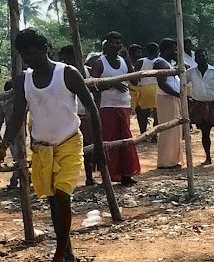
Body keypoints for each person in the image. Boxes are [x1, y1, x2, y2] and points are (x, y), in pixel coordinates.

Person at [0, 29, 102, 262]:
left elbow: (91, 108)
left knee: (63, 195)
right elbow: (18, 115)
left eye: (30, 53)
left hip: (69, 142)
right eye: (23, 55)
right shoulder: (24, 80)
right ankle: (70, 254)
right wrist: (2, 147)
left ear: (44, 48)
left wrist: (99, 147)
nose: (27, 58)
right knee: (54, 200)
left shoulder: (67, 73)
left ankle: (58, 254)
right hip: (41, 148)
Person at [90, 32, 141, 184]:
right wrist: (113, 83)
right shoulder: (100, 63)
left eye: (118, 43)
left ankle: (126, 174)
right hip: (106, 106)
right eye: (112, 42)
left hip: (124, 105)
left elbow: (135, 81)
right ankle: (109, 175)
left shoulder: (124, 62)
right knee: (109, 141)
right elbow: (93, 85)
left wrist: (128, 61)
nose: (115, 45)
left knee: (126, 140)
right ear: (106, 44)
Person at [59, 45, 97, 187]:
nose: (69, 61)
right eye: (66, 59)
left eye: (71, 58)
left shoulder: (87, 72)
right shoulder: (60, 73)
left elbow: (94, 91)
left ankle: (89, 176)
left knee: (88, 147)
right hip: (67, 116)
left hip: (84, 113)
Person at [152, 39, 184, 168]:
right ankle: (165, 161)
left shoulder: (169, 63)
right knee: (168, 130)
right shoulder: (160, 63)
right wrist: (178, 94)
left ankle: (173, 159)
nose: (175, 52)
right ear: (167, 49)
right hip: (166, 98)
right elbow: (162, 84)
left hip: (172, 98)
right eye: (173, 49)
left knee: (176, 130)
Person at [127, 43, 156, 134]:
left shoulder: (141, 61)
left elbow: (135, 77)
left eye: (140, 52)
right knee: (142, 112)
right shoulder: (129, 62)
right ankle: (145, 132)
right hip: (137, 90)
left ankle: (147, 133)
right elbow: (135, 77)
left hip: (143, 89)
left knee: (145, 113)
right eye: (137, 52)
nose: (139, 54)